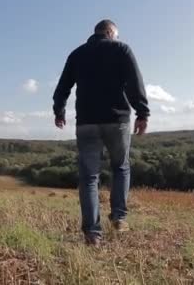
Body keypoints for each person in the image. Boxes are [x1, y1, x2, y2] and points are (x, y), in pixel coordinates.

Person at [52, 19, 150, 246]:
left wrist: (59, 111)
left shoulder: (77, 54)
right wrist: (142, 112)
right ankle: (119, 217)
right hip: (117, 121)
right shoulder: (121, 49)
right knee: (121, 167)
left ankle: (92, 234)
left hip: (86, 122)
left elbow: (63, 86)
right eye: (115, 34)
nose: (115, 38)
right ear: (110, 32)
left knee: (88, 178)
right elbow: (135, 82)